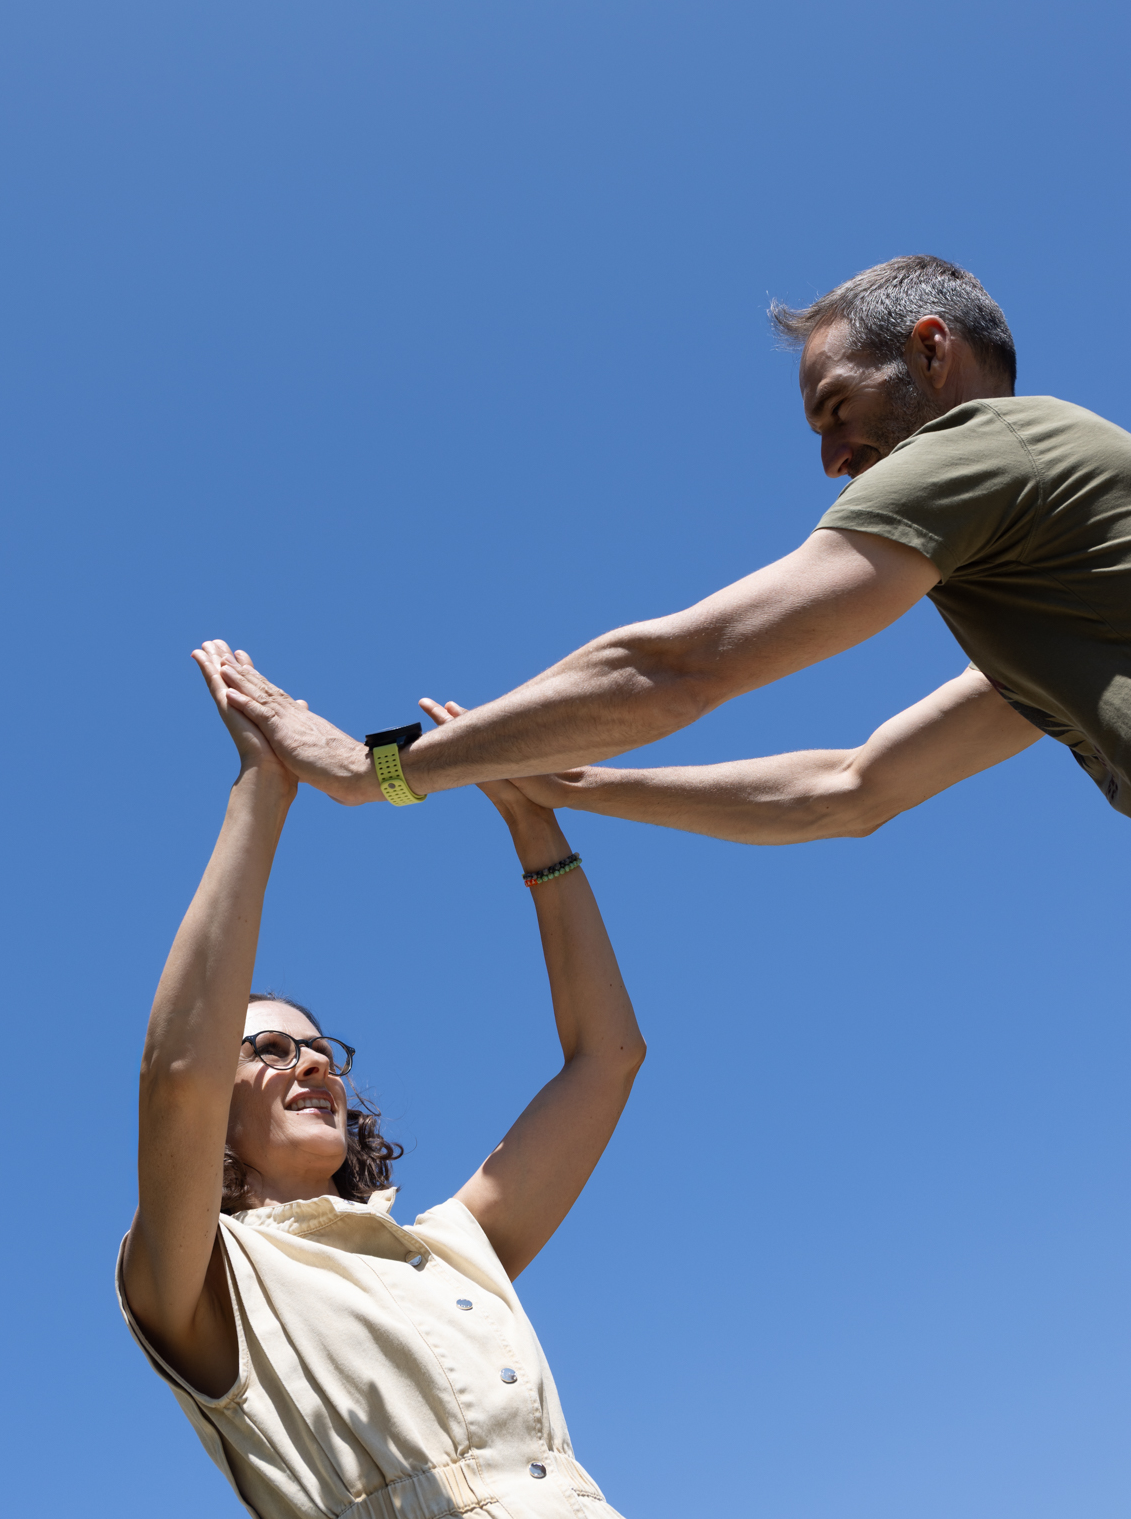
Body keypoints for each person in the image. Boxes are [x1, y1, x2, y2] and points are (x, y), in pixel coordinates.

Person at [216, 255, 1131, 835]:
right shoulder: (1052, 607)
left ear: (932, 351)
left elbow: (675, 668)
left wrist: (369, 771)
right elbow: (847, 790)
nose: (829, 459)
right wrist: (581, 784)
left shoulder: (984, 446)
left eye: (837, 409)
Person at [118, 640, 646, 1519]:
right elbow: (177, 1075)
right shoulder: (202, 1286)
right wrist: (265, 788)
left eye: (319, 1046)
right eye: (269, 1052)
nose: (313, 1060)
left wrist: (536, 831)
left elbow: (608, 1056)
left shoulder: (450, 1247)